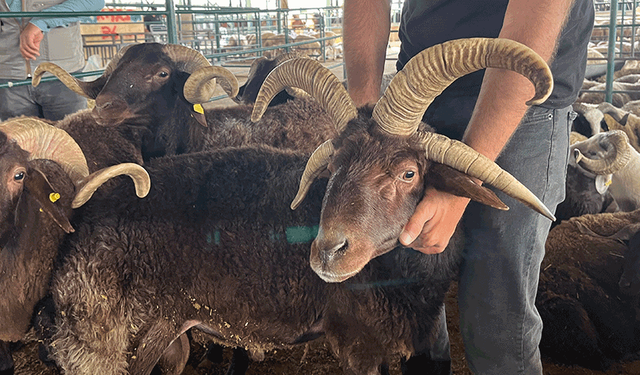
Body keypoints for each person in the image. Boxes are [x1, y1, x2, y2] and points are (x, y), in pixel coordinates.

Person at [343, 0, 594, 374]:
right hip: (419, 92)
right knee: (413, 290)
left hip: (523, 94)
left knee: (497, 313)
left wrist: (461, 187)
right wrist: (368, 129)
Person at [0, 0, 105, 121]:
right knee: (18, 138)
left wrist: (41, 21)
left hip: (62, 75)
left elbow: (93, 2)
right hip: (10, 77)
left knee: (71, 135)